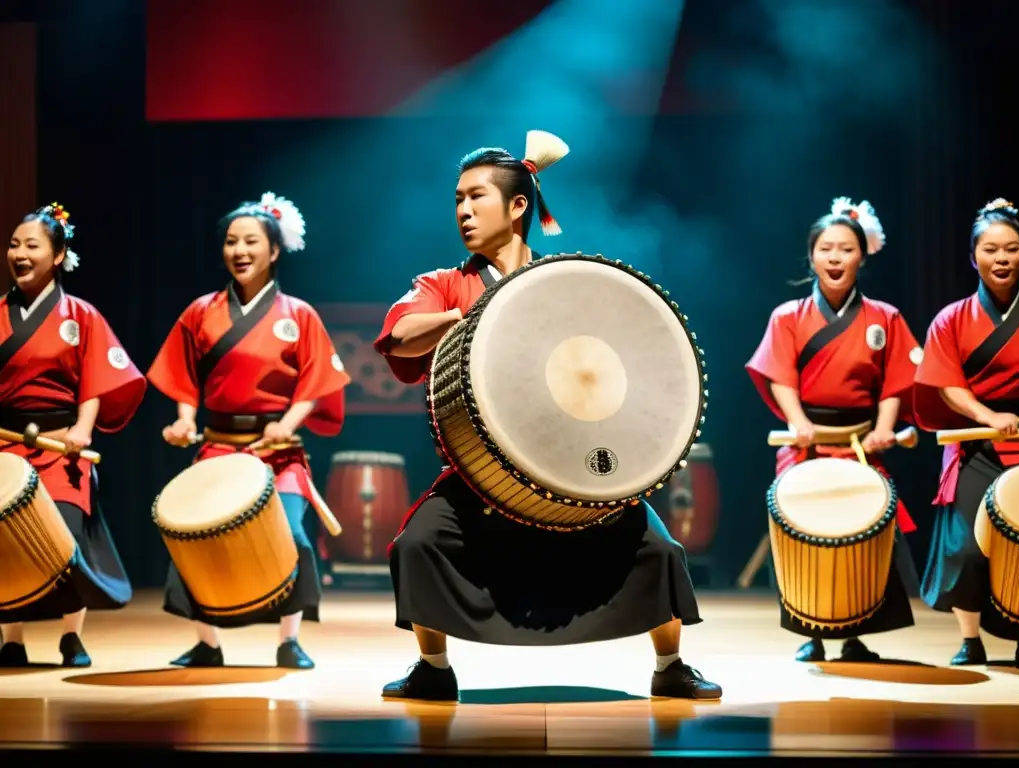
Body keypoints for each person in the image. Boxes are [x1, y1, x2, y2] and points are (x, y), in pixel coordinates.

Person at [371, 130, 722, 702]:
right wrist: (468, 314)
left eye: (476, 197)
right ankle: (432, 668)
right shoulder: (444, 284)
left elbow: (613, 362)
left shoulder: (561, 286)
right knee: (418, 544)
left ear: (517, 207)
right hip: (478, 477)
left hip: (566, 467)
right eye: (457, 199)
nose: (462, 210)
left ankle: (672, 666)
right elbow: (401, 337)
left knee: (658, 550)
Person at [147, 192, 350, 669]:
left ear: (274, 251)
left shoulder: (298, 314)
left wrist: (286, 425)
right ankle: (207, 643)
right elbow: (183, 375)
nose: (239, 250)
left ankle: (289, 640)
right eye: (232, 241)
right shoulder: (201, 311)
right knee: (193, 537)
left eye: (251, 241)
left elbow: (315, 381)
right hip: (219, 448)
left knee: (292, 537)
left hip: (278, 452)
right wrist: (184, 420)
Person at [746, 197, 922, 663]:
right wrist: (798, 422)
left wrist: (885, 429)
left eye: (845, 249)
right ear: (812, 256)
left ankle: (856, 634)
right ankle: (813, 631)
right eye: (826, 249)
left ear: (862, 256)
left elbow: (895, 382)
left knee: (869, 530)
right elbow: (780, 374)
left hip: (860, 442)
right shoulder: (788, 316)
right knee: (803, 529)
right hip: (806, 443)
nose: (835, 258)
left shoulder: (885, 317)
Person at [0, 202, 145, 667]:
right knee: (5, 541)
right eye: (15, 244)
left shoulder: (80, 315)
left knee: (66, 535)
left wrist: (83, 429)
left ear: (58, 255)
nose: (19, 253)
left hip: (61, 444)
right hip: (5, 447)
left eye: (32, 245)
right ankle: (13, 639)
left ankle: (71, 636)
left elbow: (96, 378)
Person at [913, 197, 1019, 668]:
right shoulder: (952, 318)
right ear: (973, 257)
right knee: (966, 544)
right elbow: (946, 383)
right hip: (974, 440)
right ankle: (970, 638)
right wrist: (986, 417)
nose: (1002, 259)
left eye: (1013, 248)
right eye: (991, 249)